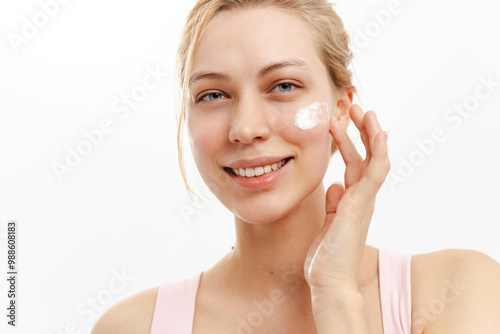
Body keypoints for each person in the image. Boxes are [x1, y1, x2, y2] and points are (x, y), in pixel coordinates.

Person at [92, 0, 500, 333]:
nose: (245, 128)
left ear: (340, 111)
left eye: (284, 86)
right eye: (213, 95)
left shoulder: (459, 289)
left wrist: (336, 295)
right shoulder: (131, 327)